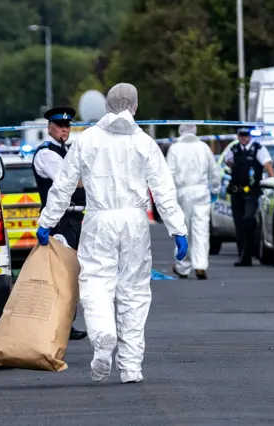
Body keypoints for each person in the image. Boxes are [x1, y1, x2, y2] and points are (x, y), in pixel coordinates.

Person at [36, 83, 188, 384]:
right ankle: (131, 366)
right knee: (134, 292)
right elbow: (163, 190)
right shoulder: (144, 143)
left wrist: (46, 221)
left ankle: (103, 336)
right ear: (135, 106)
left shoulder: (87, 140)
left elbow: (64, 184)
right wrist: (178, 230)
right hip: (134, 221)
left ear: (106, 105)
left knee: (95, 282)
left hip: (98, 219)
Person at [32, 106, 88, 341]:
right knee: (61, 275)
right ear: (49, 127)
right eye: (59, 126)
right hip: (59, 220)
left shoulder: (69, 151)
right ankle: (56, 323)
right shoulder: (46, 153)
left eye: (67, 126)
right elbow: (69, 183)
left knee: (73, 274)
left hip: (75, 218)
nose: (64, 130)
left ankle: (66, 321)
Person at [166, 123, 221, 279]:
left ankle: (182, 266)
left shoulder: (174, 149)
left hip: (182, 193)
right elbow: (214, 172)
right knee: (201, 230)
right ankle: (200, 265)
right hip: (201, 191)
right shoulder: (204, 148)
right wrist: (215, 190)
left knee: (182, 230)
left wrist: (167, 195)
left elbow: (169, 174)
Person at [225, 127, 274, 266]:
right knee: (239, 224)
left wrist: (273, 180)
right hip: (236, 191)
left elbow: (267, 164)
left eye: (246, 135)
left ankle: (250, 250)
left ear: (250, 136)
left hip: (251, 191)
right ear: (238, 135)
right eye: (241, 135)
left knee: (248, 219)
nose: (243, 137)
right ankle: (243, 255)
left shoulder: (258, 149)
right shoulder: (233, 149)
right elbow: (227, 162)